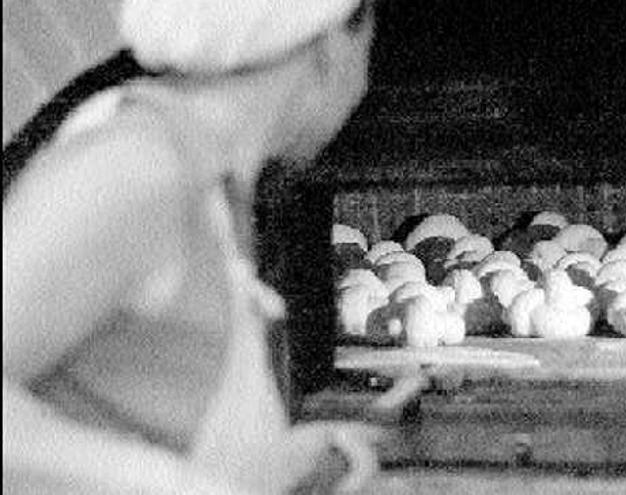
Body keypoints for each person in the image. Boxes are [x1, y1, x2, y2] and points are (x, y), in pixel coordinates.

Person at [2, 0, 382, 493]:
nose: (364, 86)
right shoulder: (137, 167)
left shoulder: (209, 183)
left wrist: (263, 465)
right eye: (369, 52)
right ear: (332, 46)